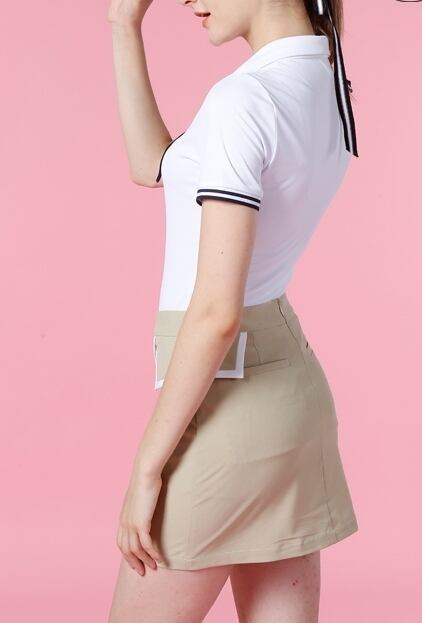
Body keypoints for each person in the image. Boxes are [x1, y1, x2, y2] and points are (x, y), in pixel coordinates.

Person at [107, 1, 359, 621]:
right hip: (289, 398)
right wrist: (123, 24)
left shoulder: (243, 99)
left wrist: (147, 468)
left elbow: (217, 311)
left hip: (225, 403)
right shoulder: (326, 79)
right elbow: (154, 167)